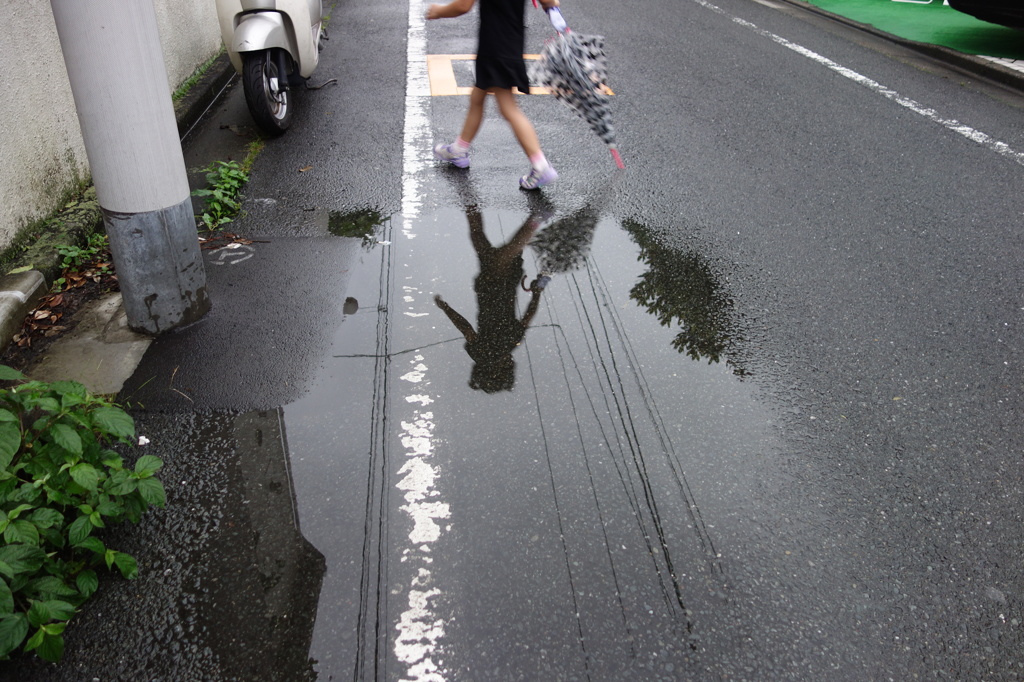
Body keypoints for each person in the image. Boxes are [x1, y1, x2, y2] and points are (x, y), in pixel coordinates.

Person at [426, 0, 560, 190]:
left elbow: (463, 6)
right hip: (511, 43)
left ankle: (540, 166)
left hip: (494, 46)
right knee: (478, 96)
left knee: (508, 108)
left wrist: (439, 11)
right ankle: (459, 149)